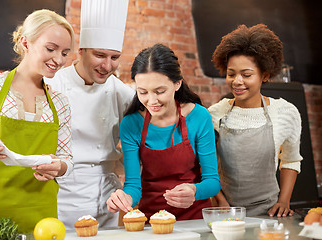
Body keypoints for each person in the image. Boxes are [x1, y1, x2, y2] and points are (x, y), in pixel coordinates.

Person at [0, 9, 74, 235]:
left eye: (65, 53)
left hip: (40, 217)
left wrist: (59, 167)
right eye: (51, 49)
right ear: (25, 42)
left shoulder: (60, 103)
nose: (59, 60)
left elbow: (66, 159)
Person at [45, 0, 135, 229]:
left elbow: (140, 142)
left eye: (115, 58)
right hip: (58, 195)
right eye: (100, 55)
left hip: (106, 198)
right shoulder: (51, 85)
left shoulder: (123, 93)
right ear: (81, 50)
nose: (107, 65)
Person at [106, 43, 221, 220]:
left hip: (195, 218)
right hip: (152, 220)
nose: (151, 100)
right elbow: (133, 185)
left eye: (160, 91)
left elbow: (212, 182)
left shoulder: (199, 116)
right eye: (142, 92)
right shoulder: (131, 123)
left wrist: (194, 190)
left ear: (177, 84)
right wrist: (125, 197)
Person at [208, 24, 302, 217]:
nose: (237, 81)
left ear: (265, 75)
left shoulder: (286, 112)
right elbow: (202, 163)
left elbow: (291, 160)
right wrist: (220, 200)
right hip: (225, 212)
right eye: (231, 74)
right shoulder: (215, 114)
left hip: (269, 214)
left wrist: (284, 201)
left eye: (247, 74)